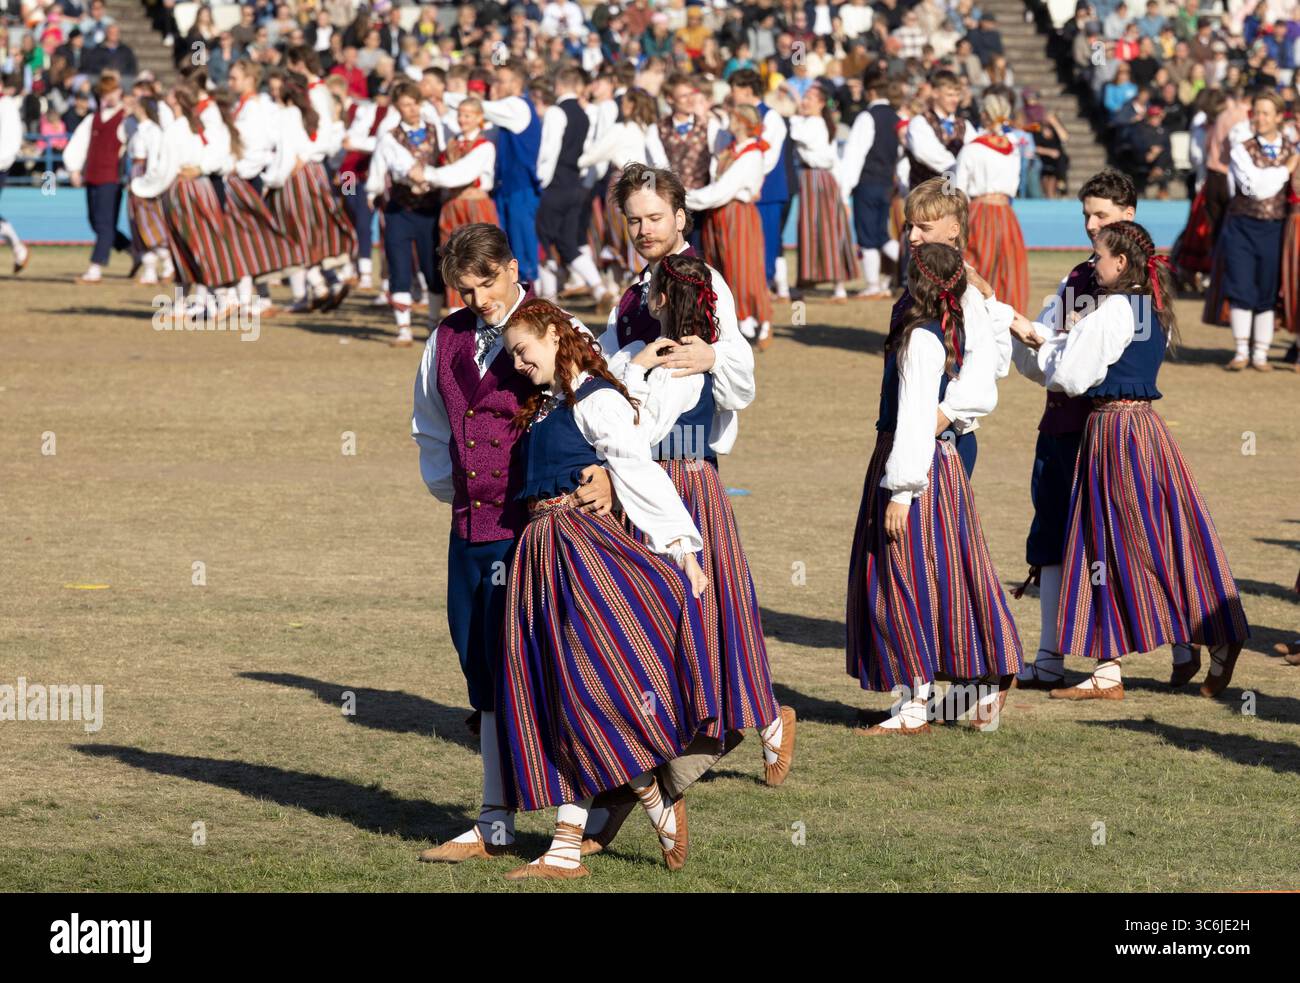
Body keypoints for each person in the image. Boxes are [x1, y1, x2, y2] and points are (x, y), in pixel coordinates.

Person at [411, 223, 613, 866]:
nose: (479, 300)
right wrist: (457, 494)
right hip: (470, 529)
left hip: (538, 532)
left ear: (513, 267)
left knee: (549, 674)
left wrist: (603, 471)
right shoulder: (444, 336)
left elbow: (605, 404)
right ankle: (494, 822)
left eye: (487, 284)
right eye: (465, 290)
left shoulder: (557, 328)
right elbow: (430, 424)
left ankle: (574, 828)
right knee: (485, 677)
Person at [494, 298, 714, 879]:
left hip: (584, 552)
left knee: (589, 690)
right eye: (512, 354)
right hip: (540, 558)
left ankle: (579, 839)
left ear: (552, 334)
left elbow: (638, 470)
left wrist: (680, 545)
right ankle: (646, 799)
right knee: (559, 694)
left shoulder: (597, 400)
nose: (518, 363)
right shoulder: (546, 406)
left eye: (525, 350)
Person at [1010, 221, 1249, 700]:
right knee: (1163, 535)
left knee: (1109, 540)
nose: (1093, 263)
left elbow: (1073, 377)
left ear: (1121, 263)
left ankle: (1110, 671)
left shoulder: (1115, 309)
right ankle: (1212, 633)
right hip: (1144, 429)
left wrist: (1038, 339)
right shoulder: (1151, 307)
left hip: (1114, 431)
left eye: (1098, 256)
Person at [847, 242, 1024, 733]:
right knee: (949, 570)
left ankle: (913, 704)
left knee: (901, 577)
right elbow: (985, 381)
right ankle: (985, 673)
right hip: (942, 465)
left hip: (917, 465)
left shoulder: (922, 338)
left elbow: (916, 418)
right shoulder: (959, 326)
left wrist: (901, 491)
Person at [1215, 90, 1297, 372]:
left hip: (1276, 227)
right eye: (1256, 113)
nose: (1259, 118)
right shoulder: (1242, 149)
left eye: (1265, 113)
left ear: (1278, 117)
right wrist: (1286, 169)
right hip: (1243, 224)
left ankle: (1260, 354)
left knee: (1267, 288)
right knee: (1241, 285)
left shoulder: (1292, 149)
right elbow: (1257, 190)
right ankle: (1241, 350)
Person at [686, 104, 773, 349]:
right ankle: (739, 320)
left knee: (744, 268)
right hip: (719, 214)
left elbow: (722, 190)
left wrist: (686, 197)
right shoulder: (732, 149)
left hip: (737, 212)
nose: (729, 122)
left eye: (733, 118)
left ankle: (761, 320)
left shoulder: (752, 154)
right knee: (721, 268)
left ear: (743, 121)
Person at [369, 81, 445, 347]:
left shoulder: (436, 130)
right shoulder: (390, 137)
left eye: (413, 104)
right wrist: (370, 191)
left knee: (432, 267)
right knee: (399, 265)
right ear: (398, 108)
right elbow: (379, 166)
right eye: (404, 106)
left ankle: (433, 324)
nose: (410, 110)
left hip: (430, 208)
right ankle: (403, 329)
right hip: (400, 208)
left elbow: (444, 158)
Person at [954, 92, 1029, 315]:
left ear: (985, 115)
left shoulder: (972, 148)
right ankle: (1007, 324)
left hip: (979, 211)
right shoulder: (1013, 149)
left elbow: (958, 188)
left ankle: (969, 320)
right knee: (1009, 272)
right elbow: (1014, 185)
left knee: (976, 268)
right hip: (1006, 213)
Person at [422, 96, 498, 312]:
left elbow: (462, 173)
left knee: (483, 256)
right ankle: (456, 310)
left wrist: (426, 175)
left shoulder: (485, 147)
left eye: (468, 115)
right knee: (453, 257)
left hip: (475, 206)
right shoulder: (453, 143)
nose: (463, 119)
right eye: (460, 115)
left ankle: (490, 308)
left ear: (479, 118)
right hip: (452, 205)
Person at [789, 83, 860, 301]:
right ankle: (810, 281)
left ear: (820, 103)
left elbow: (798, 134)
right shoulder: (818, 123)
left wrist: (794, 110)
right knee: (816, 229)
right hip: (813, 178)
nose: (805, 101)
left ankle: (836, 285)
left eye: (810, 98)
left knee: (827, 229)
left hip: (819, 178)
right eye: (805, 97)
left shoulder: (815, 123)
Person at [729, 68, 795, 300]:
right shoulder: (738, 114)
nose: (731, 95)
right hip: (744, 189)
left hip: (766, 190)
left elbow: (767, 158)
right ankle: (756, 286)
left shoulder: (771, 116)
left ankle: (766, 286)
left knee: (768, 241)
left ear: (747, 91)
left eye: (734, 90)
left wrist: (744, 178)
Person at [63, 72, 132, 283]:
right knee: (96, 222)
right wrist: (74, 169)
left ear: (120, 92)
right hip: (92, 175)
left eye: (113, 91)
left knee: (104, 223)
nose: (110, 96)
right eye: (105, 93)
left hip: (112, 177)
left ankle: (95, 268)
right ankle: (134, 251)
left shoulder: (126, 119)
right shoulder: (93, 119)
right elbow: (78, 144)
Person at [838, 73, 902, 300]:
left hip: (867, 182)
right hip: (887, 183)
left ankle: (874, 284)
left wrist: (844, 190)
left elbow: (855, 154)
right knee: (882, 235)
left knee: (867, 235)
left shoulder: (867, 117)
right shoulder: (897, 117)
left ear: (871, 92)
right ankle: (905, 271)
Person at [123, 91, 170, 285]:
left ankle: (168, 263)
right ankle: (150, 269)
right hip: (135, 174)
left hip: (144, 177)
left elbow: (154, 159)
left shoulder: (153, 131)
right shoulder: (137, 130)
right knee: (137, 223)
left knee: (149, 222)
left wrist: (147, 182)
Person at [903, 70, 973, 190]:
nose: (955, 100)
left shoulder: (964, 125)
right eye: (950, 95)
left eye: (957, 95)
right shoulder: (919, 123)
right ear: (935, 93)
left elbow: (975, 152)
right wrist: (961, 169)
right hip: (925, 199)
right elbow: (931, 156)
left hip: (953, 198)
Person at [0, 71, 30, 274]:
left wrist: (2, 161)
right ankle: (19, 249)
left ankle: (19, 249)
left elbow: (12, 140)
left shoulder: (7, 107)